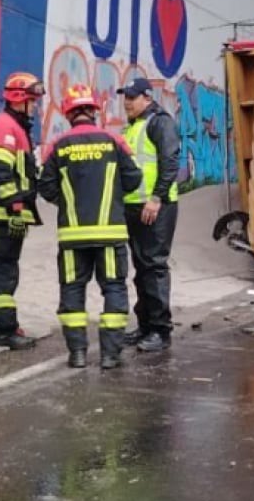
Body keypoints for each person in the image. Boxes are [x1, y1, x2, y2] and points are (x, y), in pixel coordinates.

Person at [38, 84, 141, 369]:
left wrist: (70, 202)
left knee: (72, 289)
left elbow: (45, 187)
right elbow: (133, 180)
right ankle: (109, 355)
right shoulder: (113, 141)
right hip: (110, 233)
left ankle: (78, 354)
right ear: (94, 111)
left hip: (72, 235)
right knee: (114, 289)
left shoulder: (58, 145)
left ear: (69, 114)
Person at [0, 71, 46, 350]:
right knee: (5, 270)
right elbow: (3, 174)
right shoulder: (6, 127)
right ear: (21, 100)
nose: (37, 106)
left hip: (6, 212)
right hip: (6, 213)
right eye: (34, 100)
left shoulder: (15, 126)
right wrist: (16, 208)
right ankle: (5, 330)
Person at [118, 77, 181, 352]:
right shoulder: (132, 127)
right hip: (134, 206)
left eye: (132, 97)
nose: (127, 102)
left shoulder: (160, 122)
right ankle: (145, 325)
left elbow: (170, 161)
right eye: (125, 97)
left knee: (154, 266)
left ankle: (160, 330)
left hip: (156, 206)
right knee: (141, 268)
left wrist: (157, 197)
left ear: (147, 97)